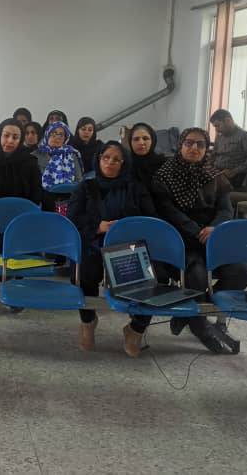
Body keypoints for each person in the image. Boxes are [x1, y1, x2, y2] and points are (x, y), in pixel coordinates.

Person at [151, 127, 247, 354]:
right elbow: (168, 212)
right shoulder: (164, 175)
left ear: (207, 149)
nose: (194, 148)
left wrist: (214, 228)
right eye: (189, 143)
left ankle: (190, 312)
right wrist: (198, 232)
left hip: (213, 238)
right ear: (180, 145)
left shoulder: (215, 176)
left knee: (242, 273)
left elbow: (226, 209)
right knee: (196, 277)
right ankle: (201, 327)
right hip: (181, 240)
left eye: (200, 144)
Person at [67, 143, 157, 355]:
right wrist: (97, 227)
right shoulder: (86, 187)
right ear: (98, 159)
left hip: (128, 248)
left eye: (116, 159)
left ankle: (135, 329)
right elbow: (72, 220)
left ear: (124, 163)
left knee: (154, 278)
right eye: (106, 157)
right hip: (92, 244)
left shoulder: (135, 188)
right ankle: (88, 321)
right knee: (82, 274)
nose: (110, 162)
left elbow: (150, 218)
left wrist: (125, 229)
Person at [208, 109, 247, 191]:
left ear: (228, 121)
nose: (216, 130)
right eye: (215, 127)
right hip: (216, 172)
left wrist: (234, 171)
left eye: (217, 126)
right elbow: (214, 154)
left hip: (234, 176)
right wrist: (208, 164)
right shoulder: (219, 137)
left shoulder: (245, 136)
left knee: (203, 185)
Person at [38, 121, 83, 213]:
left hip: (69, 198)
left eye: (61, 135)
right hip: (44, 201)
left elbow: (79, 180)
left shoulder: (72, 154)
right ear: (47, 134)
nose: (57, 137)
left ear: (65, 138)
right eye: (53, 133)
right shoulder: (37, 155)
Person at [126, 122, 165, 192]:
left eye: (145, 138)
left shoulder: (164, 165)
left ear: (153, 141)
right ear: (130, 142)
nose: (141, 143)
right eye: (136, 139)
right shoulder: (124, 165)